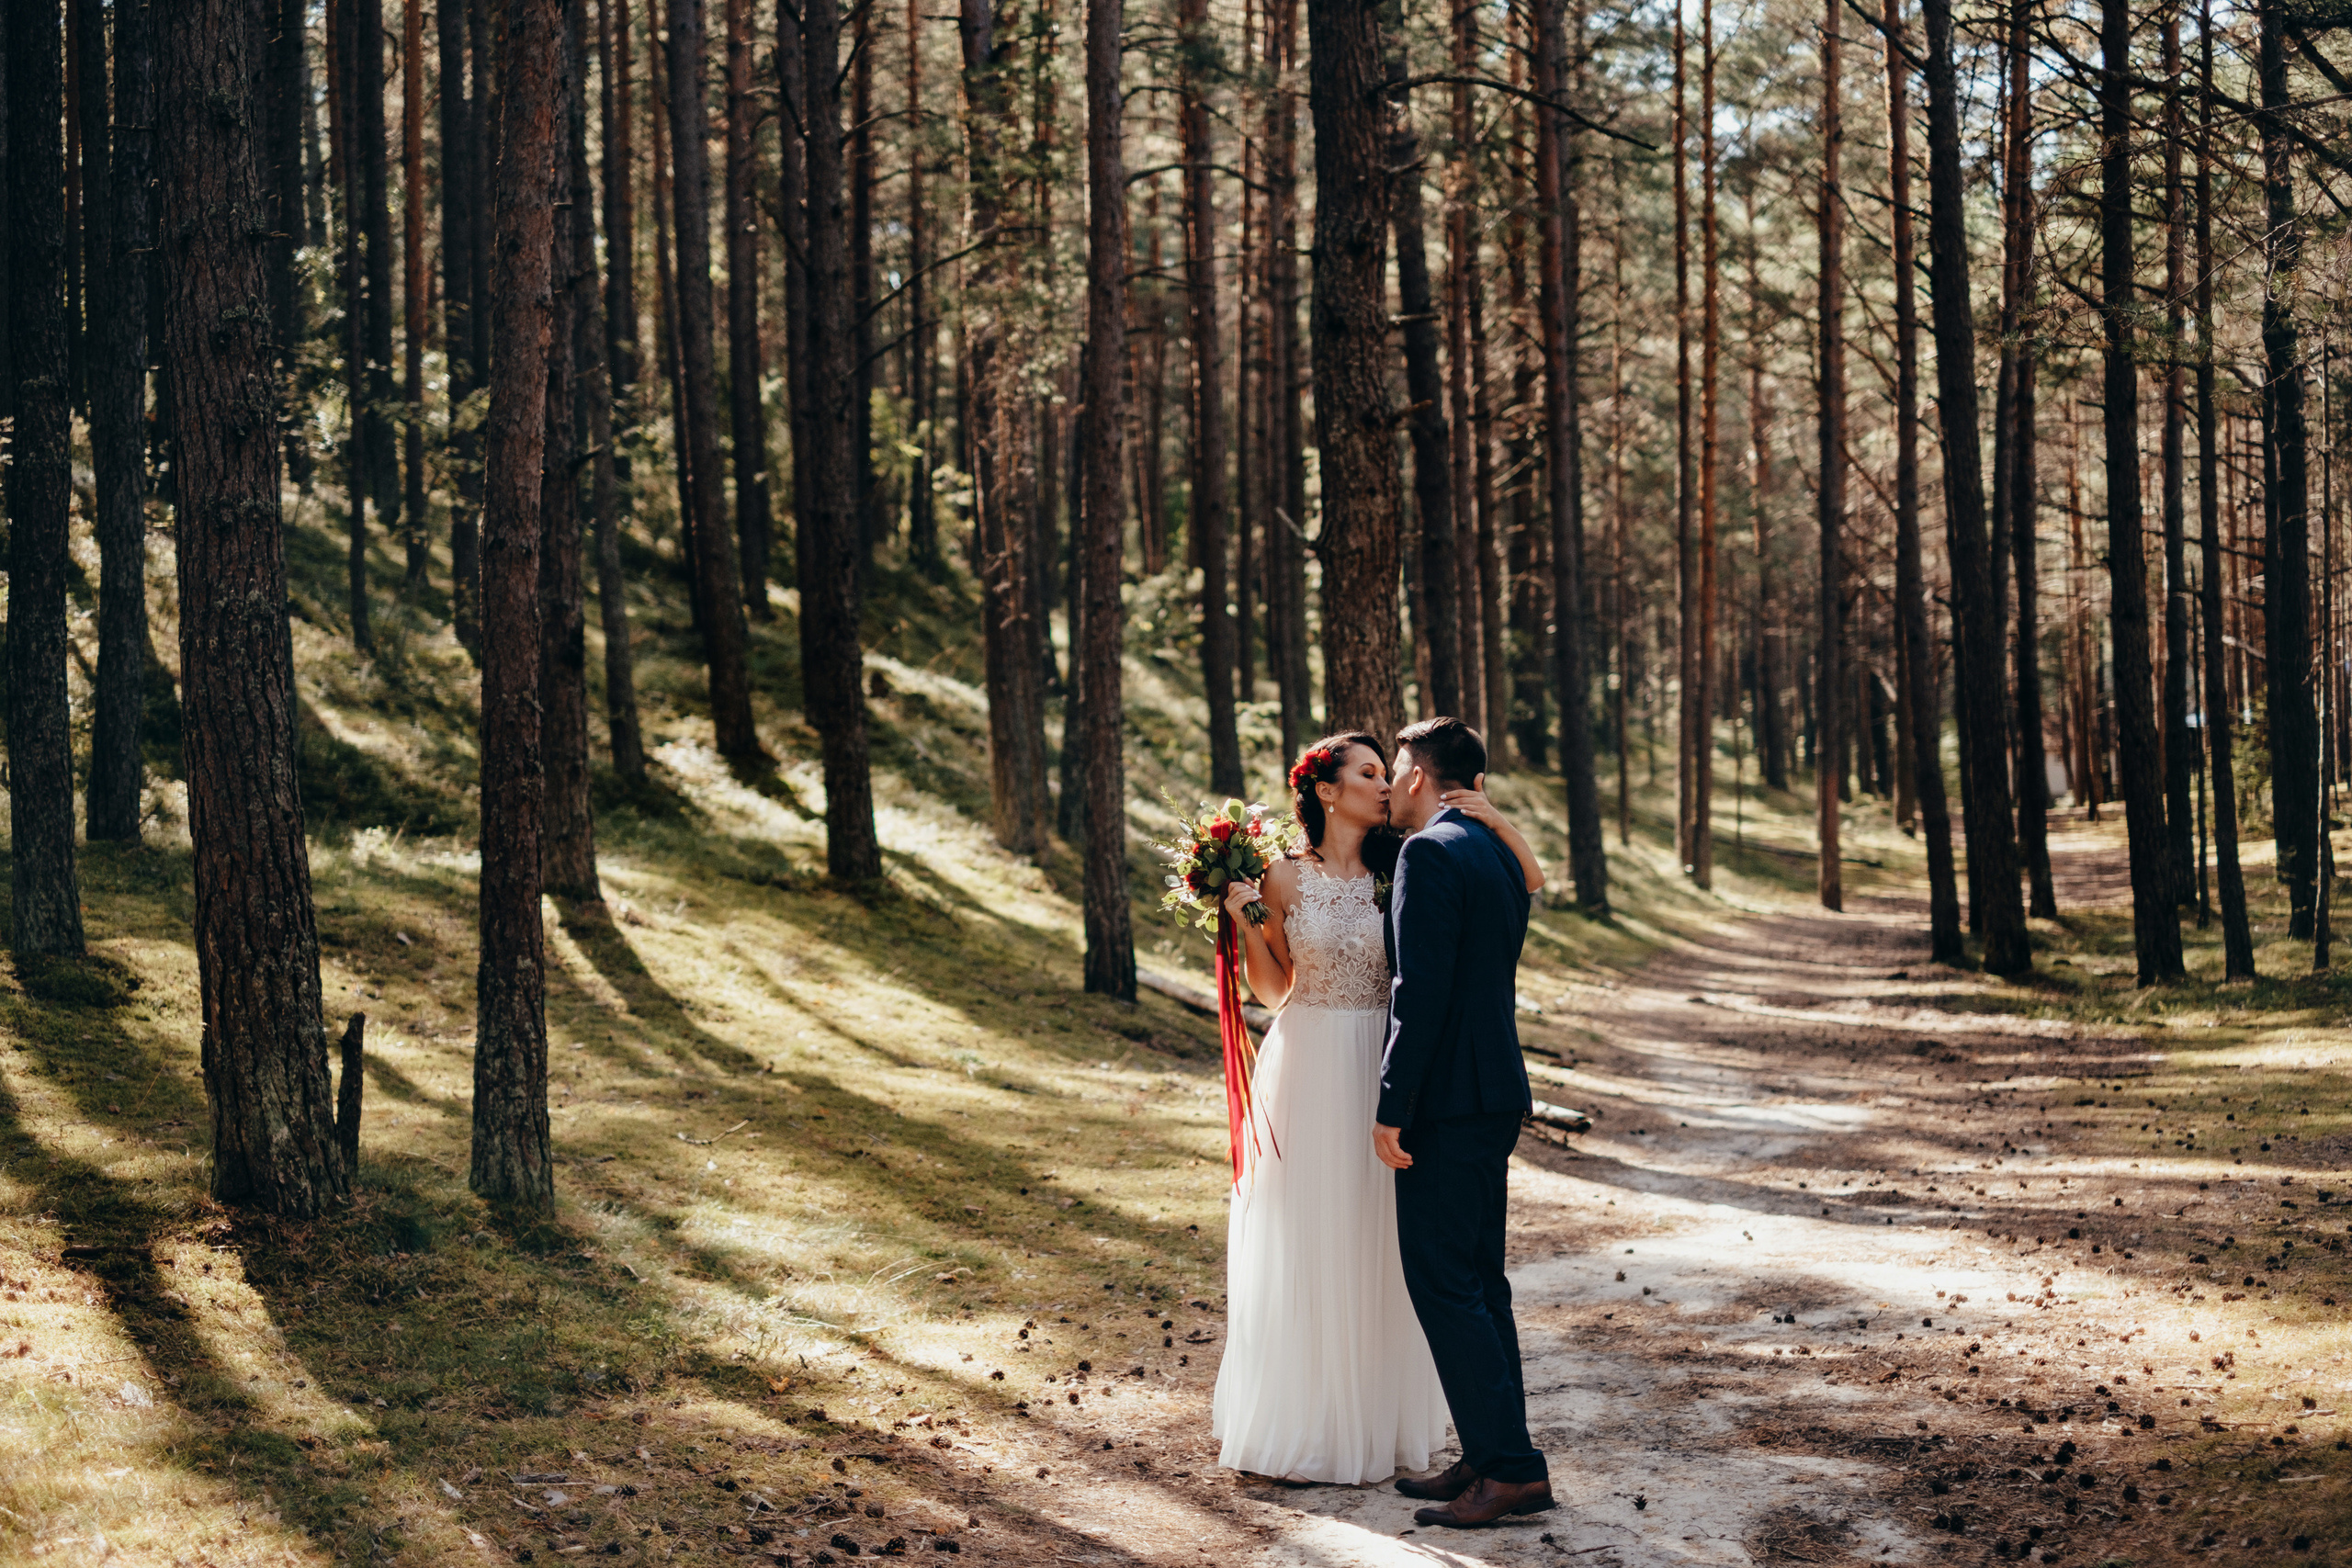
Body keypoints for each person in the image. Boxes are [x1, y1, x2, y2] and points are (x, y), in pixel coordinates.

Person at [1210, 730, 1544, 1486]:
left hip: (1389, 1065)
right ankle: (1315, 1423)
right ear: (1326, 791)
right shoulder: (1284, 873)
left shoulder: (1406, 859)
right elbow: (1276, 989)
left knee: (1390, 1251)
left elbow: (1498, 905)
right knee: (1313, 1236)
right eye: (1366, 772)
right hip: (1311, 1063)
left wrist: (1494, 817)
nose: (1384, 783)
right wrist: (1249, 922)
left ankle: (1384, 1422)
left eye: (1385, 769)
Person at [1376, 716, 1556, 1527]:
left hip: (1447, 1101)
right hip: (1495, 1090)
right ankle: (1490, 1454)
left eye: (1397, 767)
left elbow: (1418, 994)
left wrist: (1392, 1104)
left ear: (1418, 774)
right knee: (1482, 1282)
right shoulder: (1493, 850)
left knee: (1446, 1283)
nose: (1392, 783)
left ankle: (1511, 1469)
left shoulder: (1428, 852)